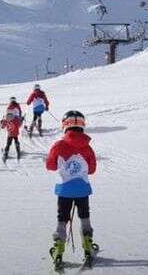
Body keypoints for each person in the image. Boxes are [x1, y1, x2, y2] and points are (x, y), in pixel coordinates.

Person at [46, 111, 98, 270]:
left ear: (65, 125)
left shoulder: (58, 146)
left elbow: (50, 166)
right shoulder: (87, 147)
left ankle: (59, 249)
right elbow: (92, 169)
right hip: (82, 189)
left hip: (64, 190)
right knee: (84, 217)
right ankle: (88, 246)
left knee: (62, 219)